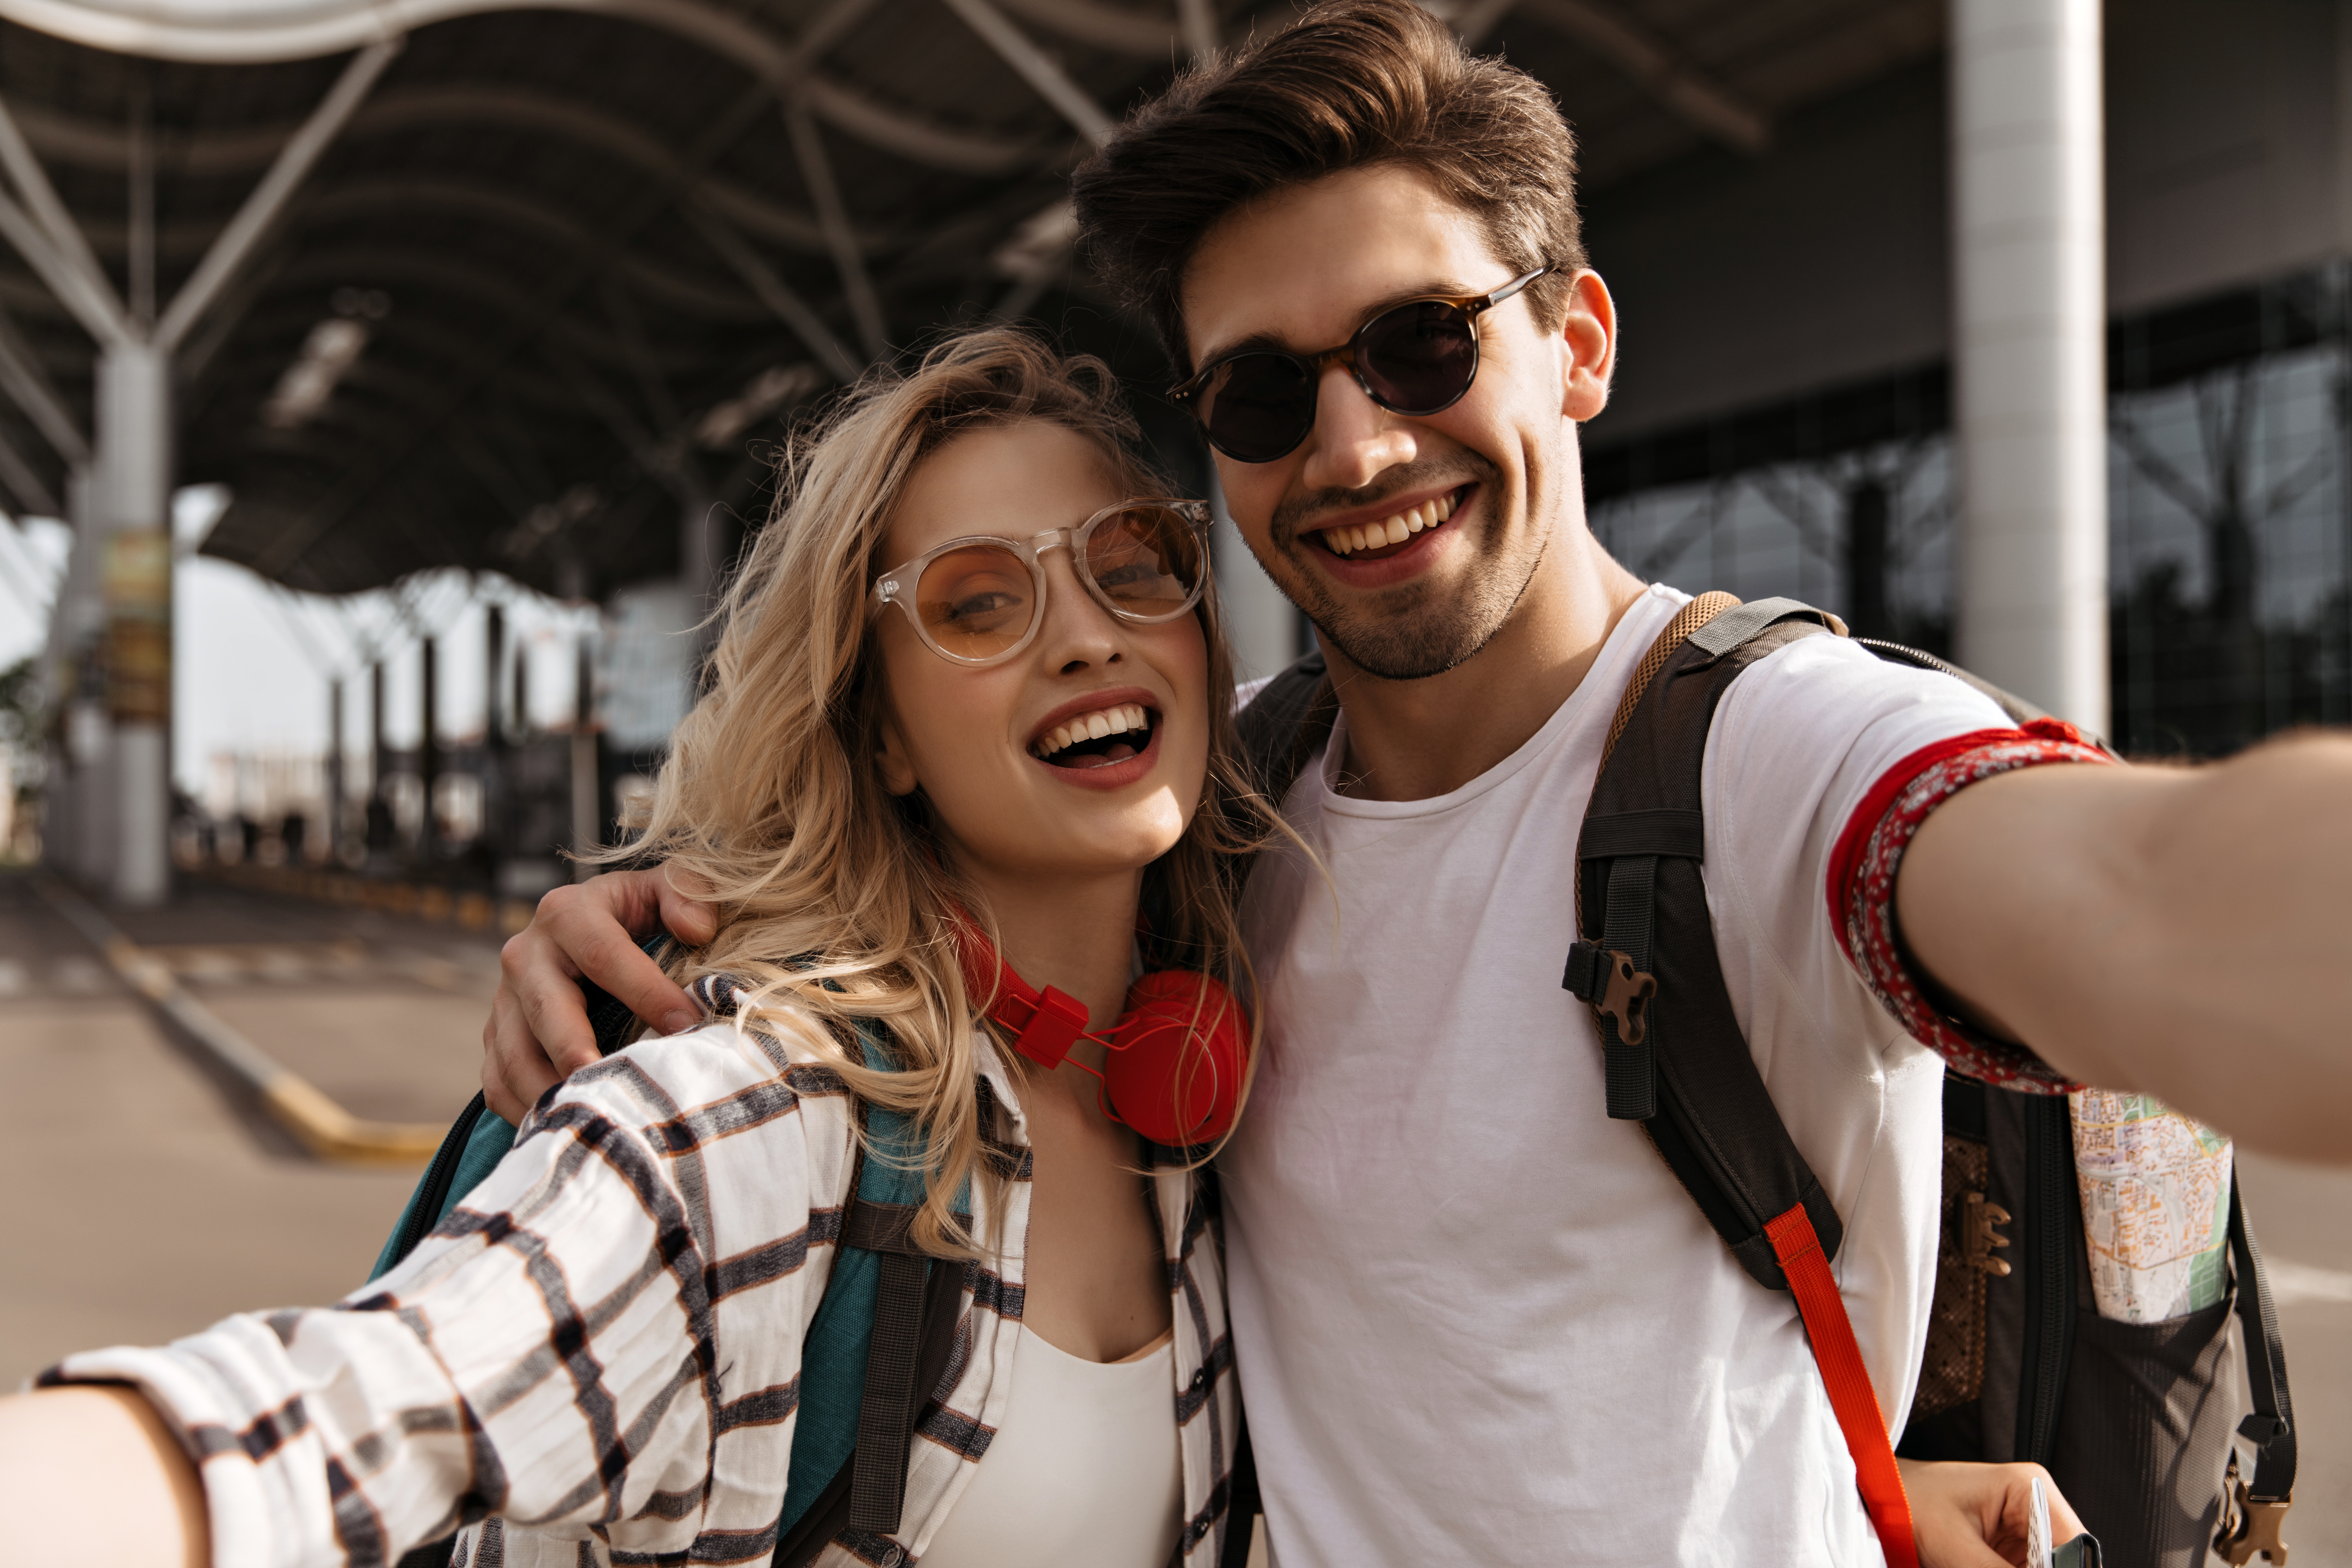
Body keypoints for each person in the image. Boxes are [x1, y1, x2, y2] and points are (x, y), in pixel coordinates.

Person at [485, 6, 2352, 1567]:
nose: (1357, 443)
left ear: (1581, 345)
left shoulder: (1769, 760)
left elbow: (2146, 889)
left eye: (1420, 343)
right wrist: (654, 910)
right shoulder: (1231, 815)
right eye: (1263, 396)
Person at [0, 330, 1276, 1568]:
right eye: (978, 602)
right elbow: (359, 1413)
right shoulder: (760, 1112)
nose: (1087, 634)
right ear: (876, 734)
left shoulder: (1209, 1100)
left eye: (1134, 562)